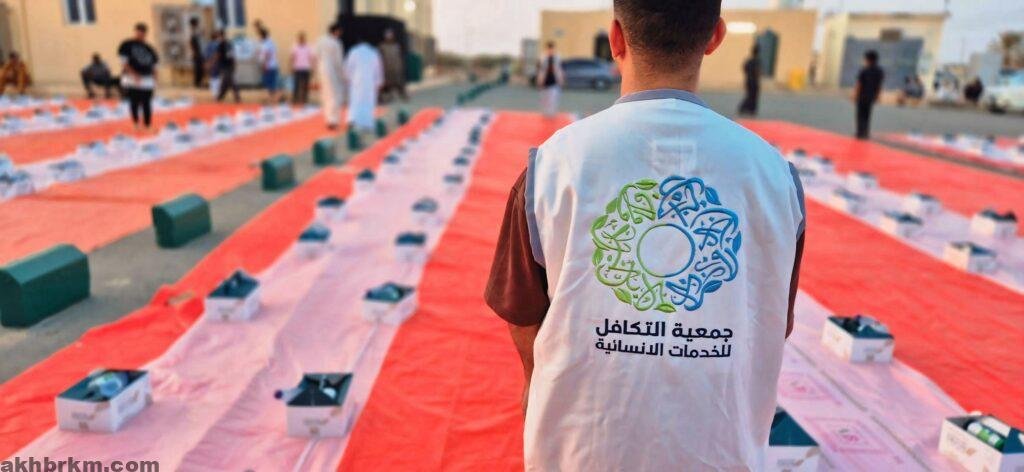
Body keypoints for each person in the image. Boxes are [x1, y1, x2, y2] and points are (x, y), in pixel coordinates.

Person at [484, 0, 805, 469]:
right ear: (715, 37)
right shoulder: (774, 176)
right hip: (721, 454)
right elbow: (773, 320)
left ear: (615, 38)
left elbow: (521, 314)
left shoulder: (552, 167)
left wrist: (541, 383)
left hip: (582, 453)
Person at [117, 23, 159, 132]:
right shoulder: (127, 44)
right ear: (135, 31)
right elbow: (124, 62)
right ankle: (135, 124)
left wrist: (155, 77)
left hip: (147, 78)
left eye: (143, 32)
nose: (140, 34)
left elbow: (155, 65)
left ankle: (147, 125)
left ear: (145, 34)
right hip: (131, 77)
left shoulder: (149, 48)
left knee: (146, 102)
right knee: (134, 101)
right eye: (139, 31)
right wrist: (133, 74)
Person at [344, 37, 383, 131]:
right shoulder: (373, 52)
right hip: (370, 81)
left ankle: (353, 120)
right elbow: (378, 69)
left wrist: (348, 78)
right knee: (368, 102)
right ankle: (366, 123)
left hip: (356, 81)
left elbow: (348, 66)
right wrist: (379, 81)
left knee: (355, 101)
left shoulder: (354, 52)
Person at [314, 23, 345, 130]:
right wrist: (342, 75)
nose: (340, 34)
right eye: (339, 31)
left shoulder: (320, 40)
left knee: (326, 95)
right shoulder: (336, 43)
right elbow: (338, 61)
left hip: (321, 69)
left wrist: (315, 72)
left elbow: (315, 56)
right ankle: (333, 120)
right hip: (332, 71)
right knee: (334, 95)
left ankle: (328, 118)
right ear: (336, 31)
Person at [853, 49, 884, 140]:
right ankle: (865, 132)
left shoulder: (864, 70)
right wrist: (878, 96)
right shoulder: (879, 71)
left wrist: (855, 94)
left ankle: (860, 132)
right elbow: (879, 85)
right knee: (867, 114)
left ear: (868, 59)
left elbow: (859, 84)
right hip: (871, 96)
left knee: (860, 115)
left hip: (862, 95)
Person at [536, 41, 563, 117]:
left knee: (553, 98)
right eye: (549, 48)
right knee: (544, 99)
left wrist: (561, 79)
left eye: (552, 48)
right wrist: (539, 80)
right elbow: (541, 70)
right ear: (547, 49)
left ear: (554, 49)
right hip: (545, 81)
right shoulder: (543, 57)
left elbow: (559, 69)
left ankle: (552, 113)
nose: (550, 50)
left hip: (554, 80)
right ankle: (545, 113)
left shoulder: (557, 57)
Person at [379, 28, 407, 102]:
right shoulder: (382, 46)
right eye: (388, 36)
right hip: (386, 68)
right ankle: (383, 97)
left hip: (396, 67)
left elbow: (399, 57)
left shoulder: (396, 46)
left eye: (390, 36)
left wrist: (401, 66)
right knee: (386, 84)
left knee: (398, 82)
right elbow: (380, 57)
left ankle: (402, 95)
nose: (389, 38)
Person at [212, 30, 240, 103]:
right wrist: (234, 64)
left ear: (220, 36)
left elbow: (218, 55)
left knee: (230, 82)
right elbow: (233, 55)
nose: (218, 38)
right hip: (230, 65)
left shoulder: (221, 45)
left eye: (218, 36)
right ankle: (220, 97)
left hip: (225, 65)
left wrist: (213, 63)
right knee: (226, 82)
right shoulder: (229, 44)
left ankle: (236, 97)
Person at [258, 28, 281, 103]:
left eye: (259, 36)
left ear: (262, 36)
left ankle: (273, 99)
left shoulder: (266, 44)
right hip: (273, 65)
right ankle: (273, 99)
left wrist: (264, 65)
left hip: (268, 66)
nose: (259, 37)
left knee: (269, 85)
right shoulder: (271, 42)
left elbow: (267, 55)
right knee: (272, 84)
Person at [738, 44, 761, 116]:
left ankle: (745, 108)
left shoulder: (748, 60)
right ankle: (750, 109)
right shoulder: (757, 61)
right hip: (754, 81)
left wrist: (748, 75)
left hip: (748, 80)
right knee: (754, 96)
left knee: (749, 95)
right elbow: (757, 71)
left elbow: (744, 68)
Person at [291, 32, 313, 104]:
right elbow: (292, 57)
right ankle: (295, 99)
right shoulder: (295, 47)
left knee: (305, 85)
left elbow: (310, 57)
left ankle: (304, 100)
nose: (301, 39)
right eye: (300, 38)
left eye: (302, 38)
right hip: (297, 68)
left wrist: (312, 67)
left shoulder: (309, 47)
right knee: (296, 85)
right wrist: (292, 66)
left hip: (306, 68)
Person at [189, 17, 204, 88]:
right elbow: (191, 43)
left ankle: (199, 82)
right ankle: (197, 83)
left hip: (198, 52)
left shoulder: (196, 31)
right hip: (197, 52)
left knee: (200, 68)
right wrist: (194, 52)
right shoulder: (192, 31)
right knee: (198, 69)